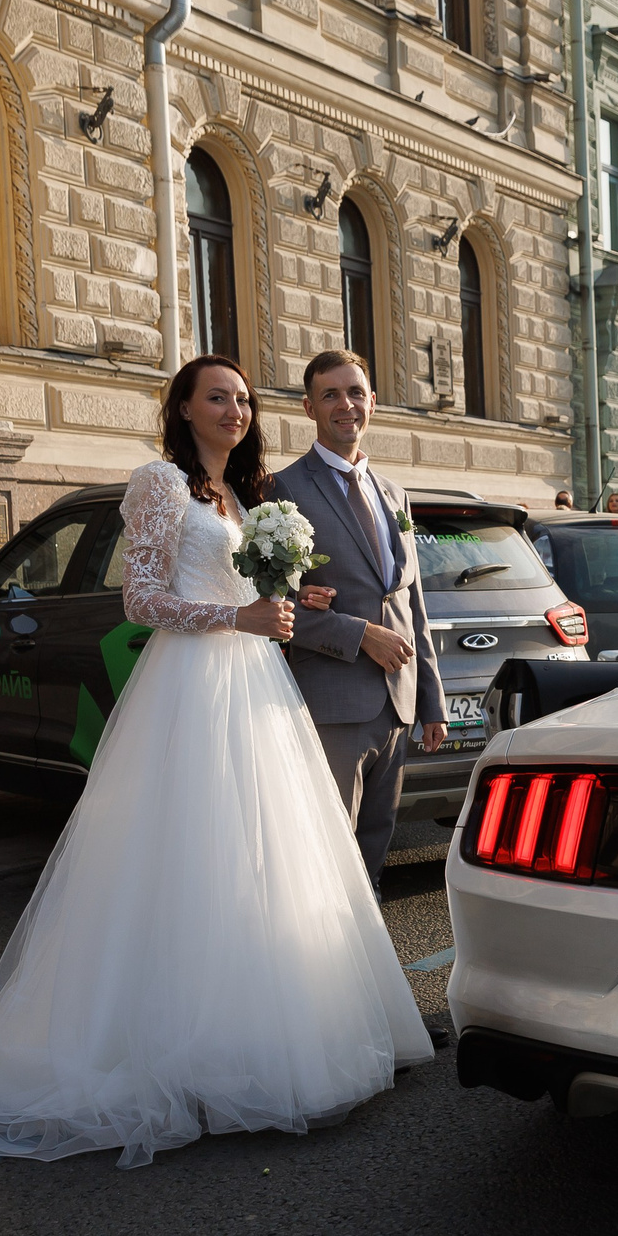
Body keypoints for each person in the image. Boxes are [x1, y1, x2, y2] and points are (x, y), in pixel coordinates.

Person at [0, 354, 431, 1167]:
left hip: (255, 684)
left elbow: (245, 590)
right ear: (185, 408)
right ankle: (175, 1054)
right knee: (188, 860)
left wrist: (289, 602)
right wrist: (237, 618)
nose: (235, 410)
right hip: (190, 686)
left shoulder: (245, 495)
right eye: (218, 397)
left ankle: (256, 1038)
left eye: (243, 399)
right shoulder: (159, 484)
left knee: (262, 862)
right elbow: (139, 600)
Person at [267, 350, 447, 890]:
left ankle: (362, 942)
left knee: (374, 847)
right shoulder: (283, 490)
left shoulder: (393, 493)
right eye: (330, 395)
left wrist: (431, 701)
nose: (345, 405)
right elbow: (270, 607)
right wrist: (359, 634)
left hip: (398, 704)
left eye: (355, 393)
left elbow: (412, 603)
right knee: (328, 850)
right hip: (333, 703)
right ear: (309, 407)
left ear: (372, 402)